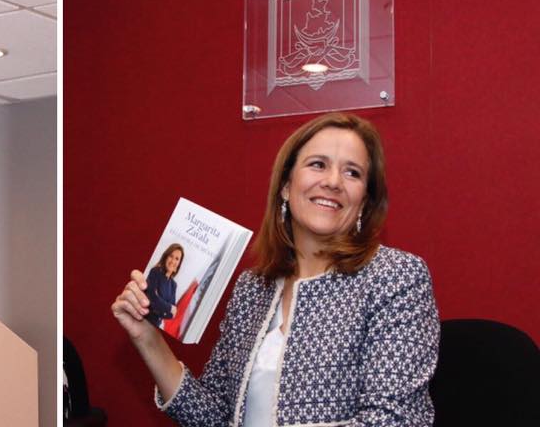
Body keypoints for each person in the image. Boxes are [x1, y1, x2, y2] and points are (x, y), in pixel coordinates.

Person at [112, 112, 439, 426]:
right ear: (285, 185)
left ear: (364, 201)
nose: (333, 182)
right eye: (318, 164)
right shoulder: (252, 288)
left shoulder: (396, 277)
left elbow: (396, 420)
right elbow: (214, 418)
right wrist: (147, 338)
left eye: (352, 172)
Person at [145, 244, 184, 329]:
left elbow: (172, 315)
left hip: (155, 327)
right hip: (144, 321)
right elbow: (152, 298)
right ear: (166, 257)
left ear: (179, 264)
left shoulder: (173, 285)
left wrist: (159, 303)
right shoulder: (155, 272)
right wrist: (169, 307)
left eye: (177, 259)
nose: (173, 261)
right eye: (171, 256)